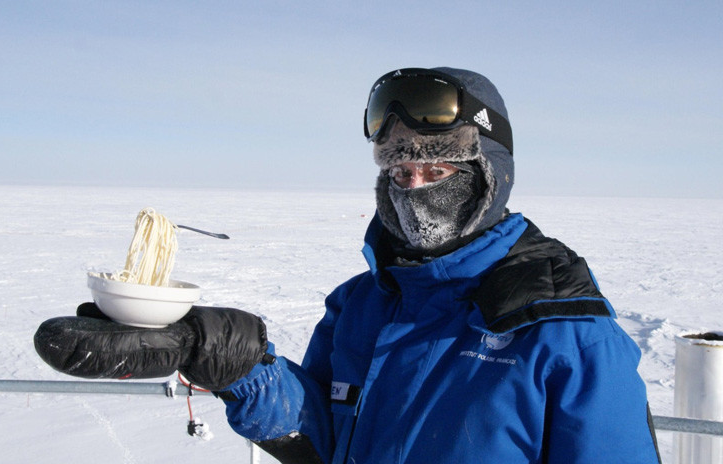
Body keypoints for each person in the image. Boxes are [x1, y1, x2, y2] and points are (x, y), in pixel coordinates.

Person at [35, 66, 662, 463]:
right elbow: (324, 441)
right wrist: (232, 361)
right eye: (397, 169)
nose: (413, 185)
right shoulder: (360, 304)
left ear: (489, 177)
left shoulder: (564, 334)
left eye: (437, 168)